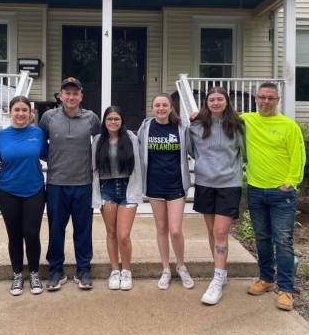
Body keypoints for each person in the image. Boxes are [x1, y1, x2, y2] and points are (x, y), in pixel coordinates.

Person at [242, 82, 306, 311]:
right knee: (262, 237)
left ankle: (286, 289)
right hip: (256, 189)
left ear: (278, 100)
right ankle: (266, 279)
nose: (266, 101)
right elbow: (220, 114)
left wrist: (291, 181)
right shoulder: (247, 120)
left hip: (282, 193)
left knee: (283, 241)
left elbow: (298, 155)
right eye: (262, 97)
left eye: (271, 98)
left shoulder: (289, 126)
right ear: (256, 99)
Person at [39, 77, 101, 291]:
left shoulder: (91, 119)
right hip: (56, 183)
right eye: (67, 93)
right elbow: (41, 144)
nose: (71, 97)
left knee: (83, 229)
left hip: (83, 183)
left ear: (81, 96)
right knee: (56, 229)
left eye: (75, 93)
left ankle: (83, 269)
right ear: (60, 96)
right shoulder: (48, 117)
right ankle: (56, 270)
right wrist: (53, 159)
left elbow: (100, 144)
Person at [188, 87, 245, 305]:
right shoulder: (196, 126)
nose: (215, 103)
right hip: (204, 183)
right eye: (211, 99)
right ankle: (219, 271)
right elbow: (193, 151)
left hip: (229, 184)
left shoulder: (238, 126)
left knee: (221, 232)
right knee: (212, 231)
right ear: (206, 103)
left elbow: (244, 152)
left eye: (219, 99)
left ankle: (217, 279)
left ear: (226, 102)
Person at [138, 93, 194, 290]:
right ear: (152, 108)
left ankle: (181, 266)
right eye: (157, 105)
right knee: (161, 228)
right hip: (154, 185)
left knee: (176, 230)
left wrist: (197, 125)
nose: (160, 108)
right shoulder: (146, 128)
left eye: (164, 105)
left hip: (176, 185)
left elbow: (193, 150)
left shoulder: (181, 127)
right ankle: (165, 269)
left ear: (171, 108)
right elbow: (137, 152)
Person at [0, 96, 47, 296]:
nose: (21, 114)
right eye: (17, 110)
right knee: (14, 235)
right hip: (7, 190)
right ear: (11, 112)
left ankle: (33, 273)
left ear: (30, 113)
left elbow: (45, 155)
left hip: (34, 190)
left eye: (25, 110)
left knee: (32, 234)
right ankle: (17, 274)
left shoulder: (38, 134)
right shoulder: (1, 136)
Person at [92, 106, 143, 291]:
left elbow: (138, 165)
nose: (113, 122)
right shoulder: (98, 140)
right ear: (104, 122)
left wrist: (138, 190)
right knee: (111, 233)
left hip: (127, 188)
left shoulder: (130, 138)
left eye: (116, 119)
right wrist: (95, 193)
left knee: (123, 235)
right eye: (109, 119)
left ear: (121, 121)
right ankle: (115, 270)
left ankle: (126, 270)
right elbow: (93, 169)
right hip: (107, 189)